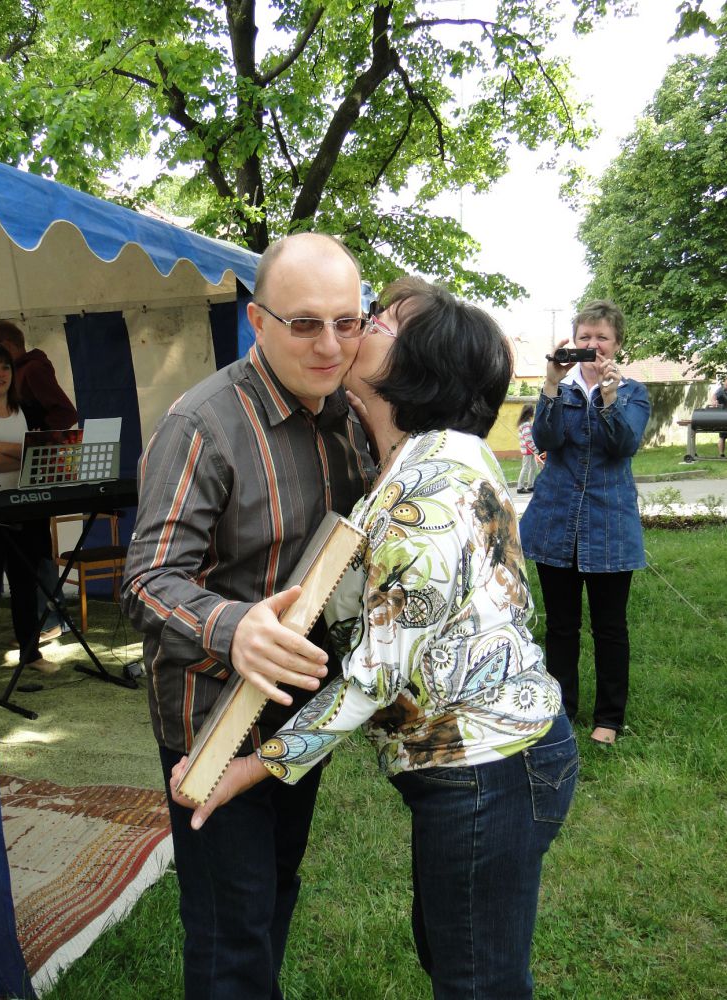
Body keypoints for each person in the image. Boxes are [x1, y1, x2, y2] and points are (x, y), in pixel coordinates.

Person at [171, 277, 578, 1000]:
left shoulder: (429, 489)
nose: (358, 327)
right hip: (479, 762)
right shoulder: (413, 460)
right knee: (454, 952)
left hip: (489, 767)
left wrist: (250, 767)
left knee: (476, 979)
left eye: (380, 321)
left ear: (418, 367)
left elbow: (373, 678)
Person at [121, 232, 376, 1000]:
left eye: (347, 321)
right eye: (305, 323)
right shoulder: (202, 425)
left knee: (274, 892)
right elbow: (146, 580)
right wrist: (235, 628)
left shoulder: (350, 416)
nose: (330, 345)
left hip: (299, 711)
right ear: (258, 321)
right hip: (213, 719)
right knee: (229, 931)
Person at [519, 300, 650, 746]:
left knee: (610, 628)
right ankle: (561, 710)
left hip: (610, 525)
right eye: (585, 337)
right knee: (561, 626)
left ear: (617, 344)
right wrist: (551, 384)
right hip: (556, 521)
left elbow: (623, 445)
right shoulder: (562, 387)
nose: (593, 345)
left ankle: (609, 719)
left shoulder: (633, 393)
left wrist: (609, 398)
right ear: (573, 342)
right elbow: (545, 439)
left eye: (602, 337)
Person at [0, 321, 78, 641]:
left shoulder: (32, 370)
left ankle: (50, 619)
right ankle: (40, 621)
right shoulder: (20, 374)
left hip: (32, 474)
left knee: (34, 551)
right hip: (13, 477)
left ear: (8, 346)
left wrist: (38, 440)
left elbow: (65, 413)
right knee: (23, 554)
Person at [0, 343, 57, 676]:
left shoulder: (27, 409)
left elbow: (44, 454)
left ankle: (30, 652)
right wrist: (22, 453)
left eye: (5, 367)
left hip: (27, 511)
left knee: (25, 584)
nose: (0, 374)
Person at [516, 402, 540, 493]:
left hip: (530, 449)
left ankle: (530, 485)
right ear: (529, 413)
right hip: (528, 450)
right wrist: (536, 450)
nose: (534, 413)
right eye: (533, 411)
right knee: (525, 468)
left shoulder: (526, 423)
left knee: (534, 467)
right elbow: (528, 439)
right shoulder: (526, 424)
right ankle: (520, 487)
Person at [707, 377, 727, 458]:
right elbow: (713, 397)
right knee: (722, 436)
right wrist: (714, 402)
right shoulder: (721, 390)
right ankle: (721, 454)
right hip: (723, 417)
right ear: (725, 382)